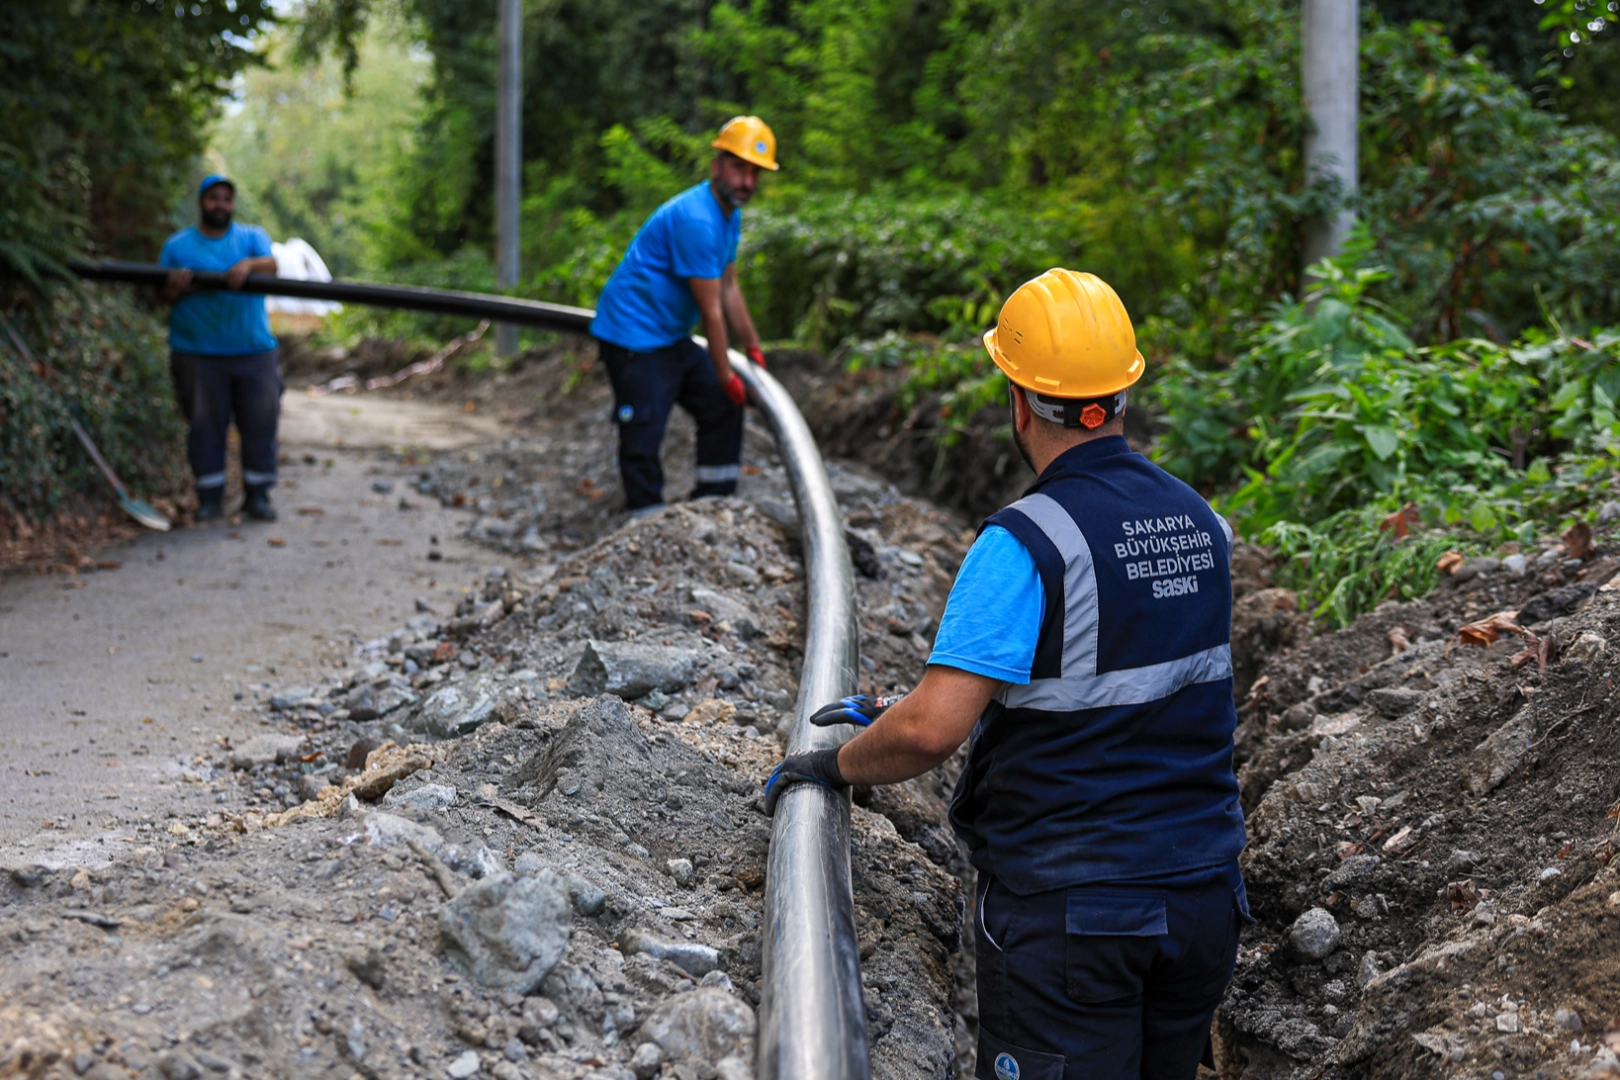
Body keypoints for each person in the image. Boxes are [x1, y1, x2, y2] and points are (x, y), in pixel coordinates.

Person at [765, 269, 1250, 1080]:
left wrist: (831, 767)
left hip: (1076, 913)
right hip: (1201, 900)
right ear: (1122, 395)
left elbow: (929, 731)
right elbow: (1129, 689)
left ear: (1019, 400)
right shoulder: (1201, 522)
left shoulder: (1027, 542)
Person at [589, 116, 777, 516]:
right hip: (634, 335)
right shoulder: (697, 220)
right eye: (739, 168)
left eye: (754, 173)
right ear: (717, 166)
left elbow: (730, 288)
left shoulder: (730, 214)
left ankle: (714, 501)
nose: (746, 181)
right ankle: (645, 520)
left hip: (670, 333)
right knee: (644, 427)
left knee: (722, 406)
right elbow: (711, 311)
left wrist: (754, 350)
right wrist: (727, 375)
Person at [159, 174, 282, 522]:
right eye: (214, 198)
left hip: (253, 350)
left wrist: (248, 265)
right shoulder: (177, 245)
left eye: (226, 199)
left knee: (261, 423)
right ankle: (209, 497)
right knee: (204, 426)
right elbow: (159, 295)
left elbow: (273, 266)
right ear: (202, 202)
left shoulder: (251, 238)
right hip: (197, 352)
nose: (220, 205)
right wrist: (176, 287)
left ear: (233, 204)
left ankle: (257, 495)